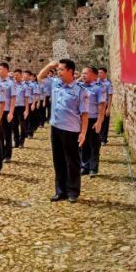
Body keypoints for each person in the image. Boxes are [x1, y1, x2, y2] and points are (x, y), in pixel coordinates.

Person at [38, 59, 89, 203]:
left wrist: (83, 133)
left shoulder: (80, 90)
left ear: (70, 71)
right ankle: (60, 191)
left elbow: (84, 114)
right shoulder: (55, 83)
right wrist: (50, 65)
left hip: (71, 130)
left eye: (61, 69)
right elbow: (40, 77)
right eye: (58, 70)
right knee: (58, 160)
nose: (58, 72)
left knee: (72, 161)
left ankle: (73, 191)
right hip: (56, 128)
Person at [78, 66, 106, 176]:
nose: (83, 75)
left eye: (86, 73)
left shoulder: (98, 88)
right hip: (81, 120)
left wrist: (99, 121)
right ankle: (84, 166)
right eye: (82, 73)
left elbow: (102, 105)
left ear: (94, 75)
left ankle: (93, 168)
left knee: (94, 144)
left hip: (93, 119)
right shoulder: (79, 86)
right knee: (83, 143)